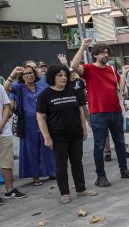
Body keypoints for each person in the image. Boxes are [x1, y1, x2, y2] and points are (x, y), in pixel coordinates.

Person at [71, 38, 129, 187]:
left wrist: (124, 75)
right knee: (99, 145)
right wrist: (83, 46)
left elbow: (118, 88)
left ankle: (124, 169)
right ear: (95, 55)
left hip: (115, 110)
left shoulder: (112, 70)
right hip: (99, 113)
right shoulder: (88, 69)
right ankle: (100, 176)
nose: (105, 54)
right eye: (102, 52)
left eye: (107, 52)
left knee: (120, 143)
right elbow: (74, 65)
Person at [36, 65, 97, 204]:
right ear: (53, 77)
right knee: (61, 165)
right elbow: (40, 117)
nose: (64, 78)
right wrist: (47, 137)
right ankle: (64, 193)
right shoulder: (45, 95)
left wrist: (84, 128)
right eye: (60, 75)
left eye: (65, 75)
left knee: (77, 162)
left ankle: (81, 189)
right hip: (58, 136)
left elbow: (80, 109)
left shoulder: (72, 91)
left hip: (75, 133)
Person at [0, 65, 27, 206]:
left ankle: (10, 190)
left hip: (3, 131)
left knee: (7, 163)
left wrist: (0, 125)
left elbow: (6, 106)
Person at [5, 62, 55, 185]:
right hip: (28, 124)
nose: (29, 76)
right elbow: (6, 87)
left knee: (46, 146)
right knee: (31, 149)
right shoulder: (19, 87)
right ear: (22, 76)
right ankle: (35, 176)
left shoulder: (41, 89)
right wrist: (13, 73)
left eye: (31, 73)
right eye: (26, 74)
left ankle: (51, 171)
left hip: (43, 122)